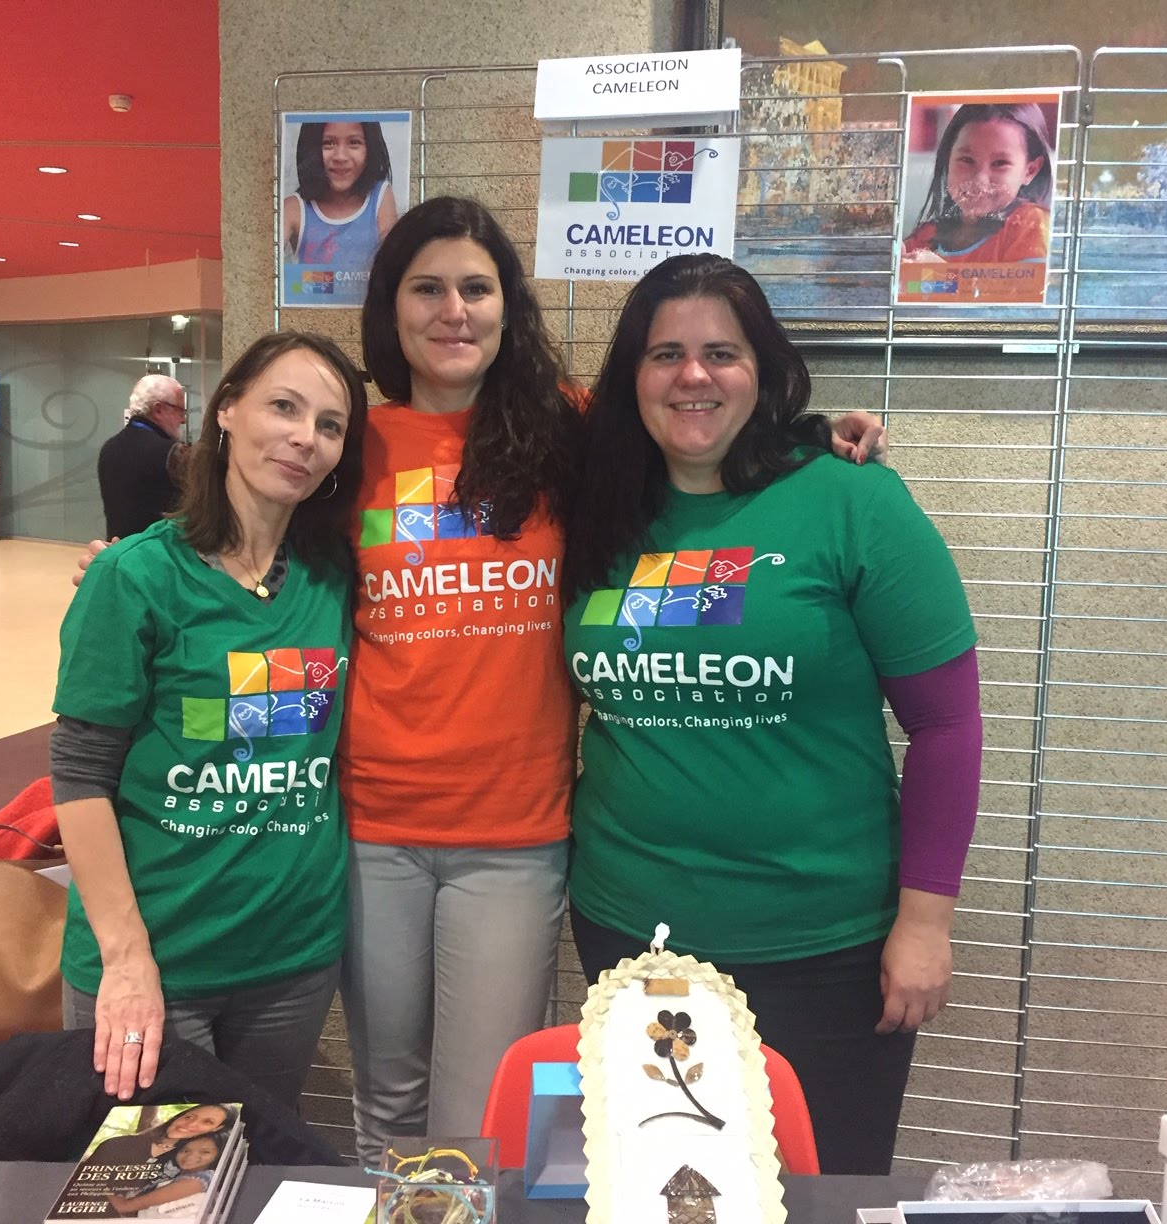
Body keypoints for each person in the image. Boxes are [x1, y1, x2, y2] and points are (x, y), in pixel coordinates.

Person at [338, 197, 890, 1164]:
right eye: (427, 288)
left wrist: (808, 437)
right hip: (371, 823)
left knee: (481, 1116)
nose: (454, 310)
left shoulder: (564, 429)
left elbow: (693, 415)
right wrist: (130, 562)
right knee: (386, 1096)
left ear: (511, 308)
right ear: (391, 309)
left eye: (478, 288)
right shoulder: (355, 444)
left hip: (514, 831)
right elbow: (251, 514)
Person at [560, 253, 983, 1176]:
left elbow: (949, 727)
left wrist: (926, 923)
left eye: (723, 351)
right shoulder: (596, 506)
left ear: (766, 369)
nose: (694, 375)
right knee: (666, 1190)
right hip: (634, 938)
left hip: (824, 949)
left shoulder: (851, 499)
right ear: (632, 375)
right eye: (665, 353)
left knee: (820, 1188)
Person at [52, 332, 367, 1111]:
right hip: (156, 963)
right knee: (149, 1191)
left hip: (290, 961)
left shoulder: (333, 580)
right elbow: (80, 778)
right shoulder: (134, 577)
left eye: (330, 425)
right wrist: (126, 962)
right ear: (226, 410)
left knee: (254, 1167)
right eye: (284, 407)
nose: (305, 437)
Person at [901, 102, 1054, 266]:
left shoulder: (1031, 225)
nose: (979, 179)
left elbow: (1026, 291)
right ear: (948, 160)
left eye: (1000, 163)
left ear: (1030, 171)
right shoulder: (927, 237)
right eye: (967, 160)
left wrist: (943, 277)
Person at [282, 120, 398, 305]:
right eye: (328, 143)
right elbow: (271, 276)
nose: (340, 156)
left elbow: (392, 270)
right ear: (310, 149)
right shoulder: (294, 207)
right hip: (311, 317)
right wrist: (345, 281)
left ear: (370, 148)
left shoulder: (381, 196)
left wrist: (321, 280)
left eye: (354, 142)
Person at [98, 374, 189, 540]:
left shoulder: (109, 447)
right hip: (159, 557)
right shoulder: (172, 453)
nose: (183, 419)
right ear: (158, 409)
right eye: (180, 411)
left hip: (121, 553)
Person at [107, 1130, 226, 1218]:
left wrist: (99, 1186)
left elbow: (125, 1206)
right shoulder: (173, 1174)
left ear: (219, 1155)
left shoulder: (200, 1180)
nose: (191, 1156)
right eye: (185, 1150)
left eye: (205, 1152)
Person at [85, 1103, 232, 1164]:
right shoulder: (118, 1144)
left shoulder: (193, 1159)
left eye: (207, 1122)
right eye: (189, 1116)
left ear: (217, 1129)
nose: (191, 1124)